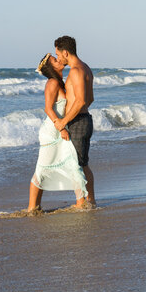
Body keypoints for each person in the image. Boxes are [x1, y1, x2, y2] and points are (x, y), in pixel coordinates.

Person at [27, 53, 88, 212]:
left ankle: (81, 203)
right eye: (55, 60)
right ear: (51, 67)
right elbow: (48, 109)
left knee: (73, 162)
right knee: (42, 169)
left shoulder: (60, 82)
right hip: (52, 132)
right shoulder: (52, 82)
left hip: (60, 130)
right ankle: (32, 208)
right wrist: (61, 128)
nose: (59, 59)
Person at [53, 36, 96, 206]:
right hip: (83, 120)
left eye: (58, 54)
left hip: (78, 122)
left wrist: (64, 121)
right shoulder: (86, 68)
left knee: (76, 165)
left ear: (65, 52)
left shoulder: (76, 71)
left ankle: (82, 203)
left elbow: (81, 101)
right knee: (82, 163)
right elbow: (90, 99)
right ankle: (90, 200)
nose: (58, 58)